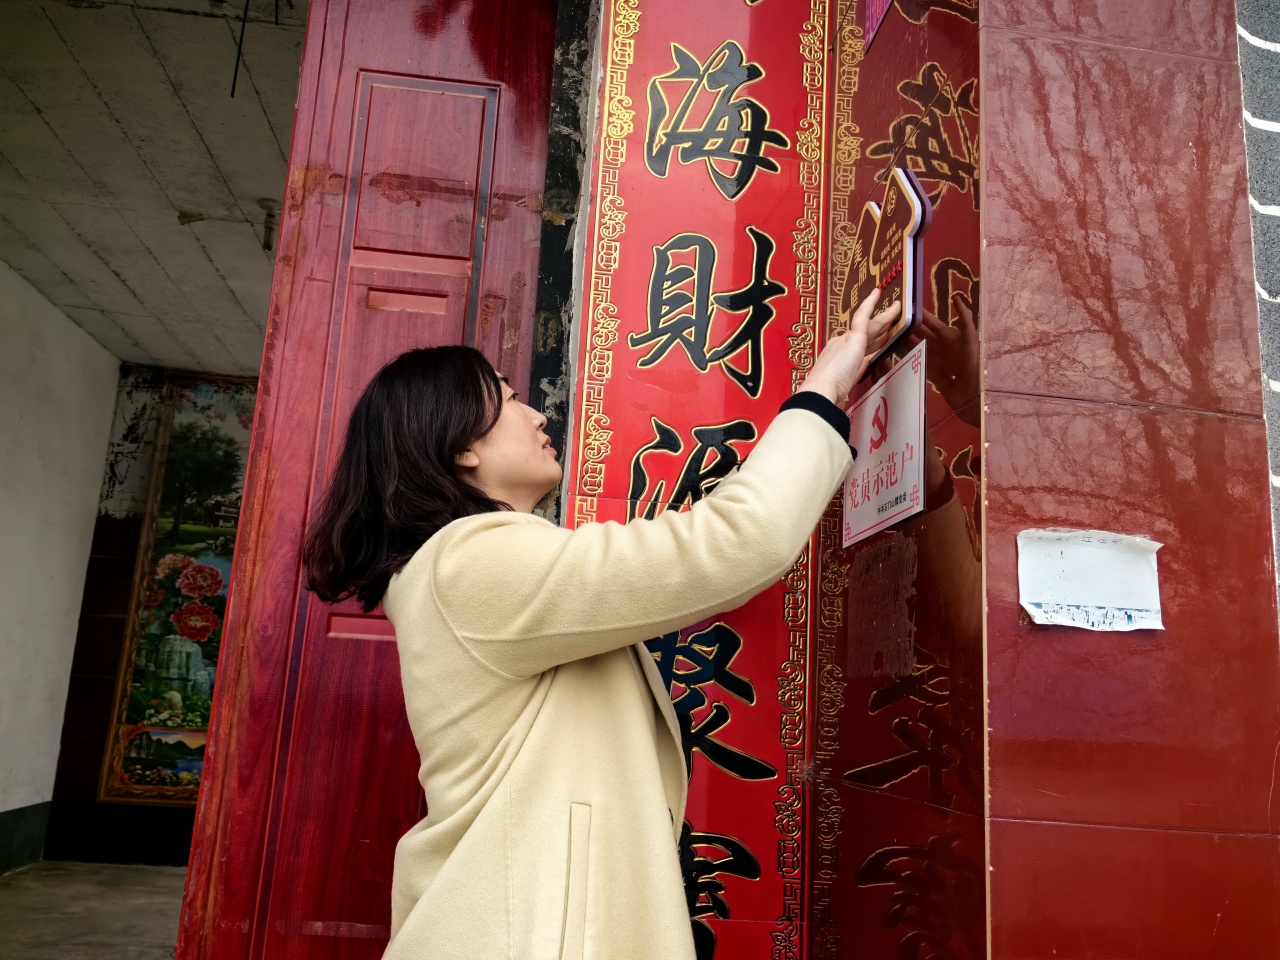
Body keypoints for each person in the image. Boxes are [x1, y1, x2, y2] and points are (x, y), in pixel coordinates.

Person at [303, 289, 901, 960]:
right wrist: (823, 390)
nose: (538, 414)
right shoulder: (472, 562)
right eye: (510, 399)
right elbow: (735, 543)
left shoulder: (458, 568)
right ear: (462, 445)